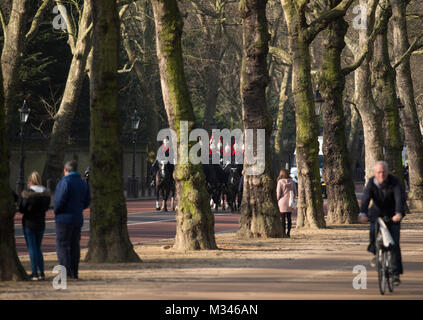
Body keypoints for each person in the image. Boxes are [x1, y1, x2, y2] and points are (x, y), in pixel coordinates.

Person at [359, 161, 405, 286]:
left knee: (394, 244)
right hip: (376, 214)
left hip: (393, 215)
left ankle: (395, 274)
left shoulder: (394, 182)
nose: (381, 174)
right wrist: (362, 213)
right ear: (375, 173)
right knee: (373, 231)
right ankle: (375, 251)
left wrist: (399, 213)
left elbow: (399, 198)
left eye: (384, 171)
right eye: (379, 172)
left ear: (387, 171)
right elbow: (365, 198)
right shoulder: (372, 183)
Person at [54, 160, 90, 280]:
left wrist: (57, 211)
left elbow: (59, 201)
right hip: (77, 217)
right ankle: (74, 272)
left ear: (66, 170)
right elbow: (87, 201)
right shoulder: (83, 183)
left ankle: (65, 273)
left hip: (64, 218)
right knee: (75, 246)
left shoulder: (64, 181)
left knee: (62, 246)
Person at [18, 172, 51, 281]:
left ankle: (34, 273)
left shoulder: (27, 194)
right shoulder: (45, 194)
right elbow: (47, 208)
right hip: (41, 223)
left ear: (31, 182)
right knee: (38, 248)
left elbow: (22, 209)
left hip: (29, 223)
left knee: (32, 248)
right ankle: (41, 272)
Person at [276, 169, 297, 238]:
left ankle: (283, 232)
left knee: (282, 218)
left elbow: (278, 193)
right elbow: (295, 192)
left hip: (282, 202)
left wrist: (277, 199)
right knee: (289, 218)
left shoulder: (280, 182)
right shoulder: (292, 182)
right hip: (289, 202)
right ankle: (288, 233)